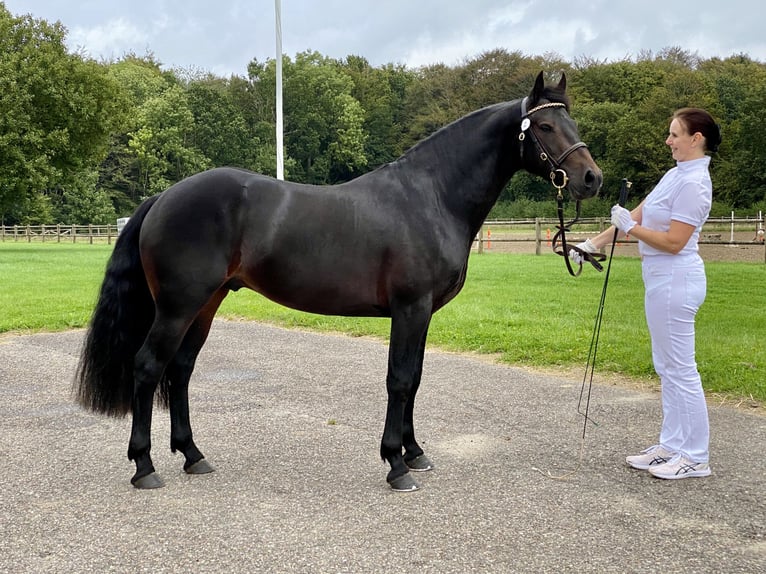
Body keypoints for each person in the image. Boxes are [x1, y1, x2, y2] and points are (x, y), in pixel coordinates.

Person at [574, 108, 722, 480]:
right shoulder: (674, 175)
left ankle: (696, 456)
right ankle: (672, 444)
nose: (669, 141)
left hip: (676, 278)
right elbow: (636, 215)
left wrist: (630, 230)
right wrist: (593, 243)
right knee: (666, 366)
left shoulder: (694, 184)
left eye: (675, 134)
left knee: (681, 369)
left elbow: (674, 241)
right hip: (658, 279)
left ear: (696, 138)